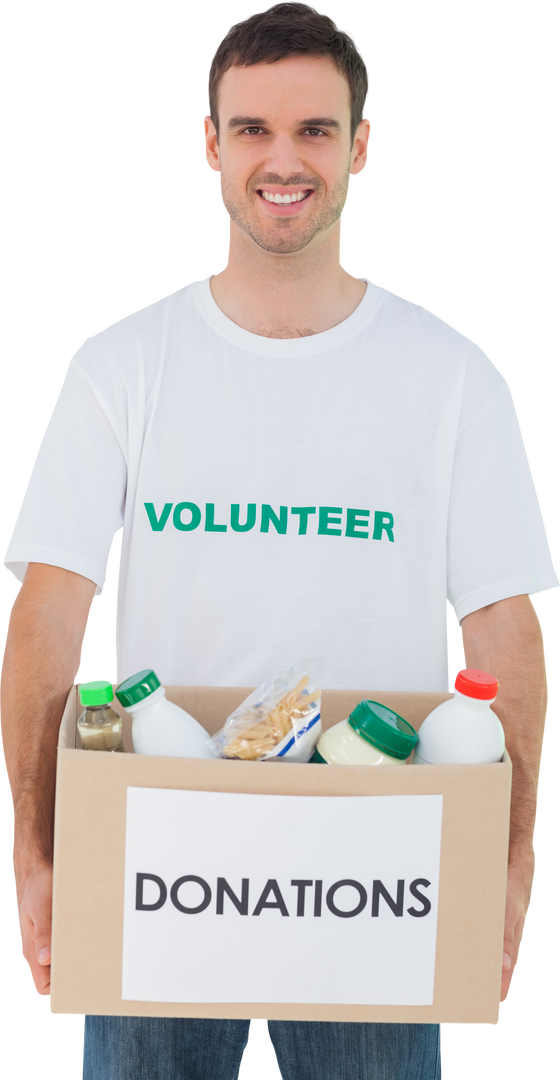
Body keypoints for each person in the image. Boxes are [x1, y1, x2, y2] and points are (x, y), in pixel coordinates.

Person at [0, 2, 556, 1077]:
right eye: (251, 128)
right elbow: (49, 610)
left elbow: (500, 622)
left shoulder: (449, 377)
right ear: (208, 143)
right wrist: (36, 851)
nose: (281, 160)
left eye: (313, 129)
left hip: (380, 861)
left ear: (359, 147)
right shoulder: (122, 365)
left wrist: (513, 858)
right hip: (154, 856)